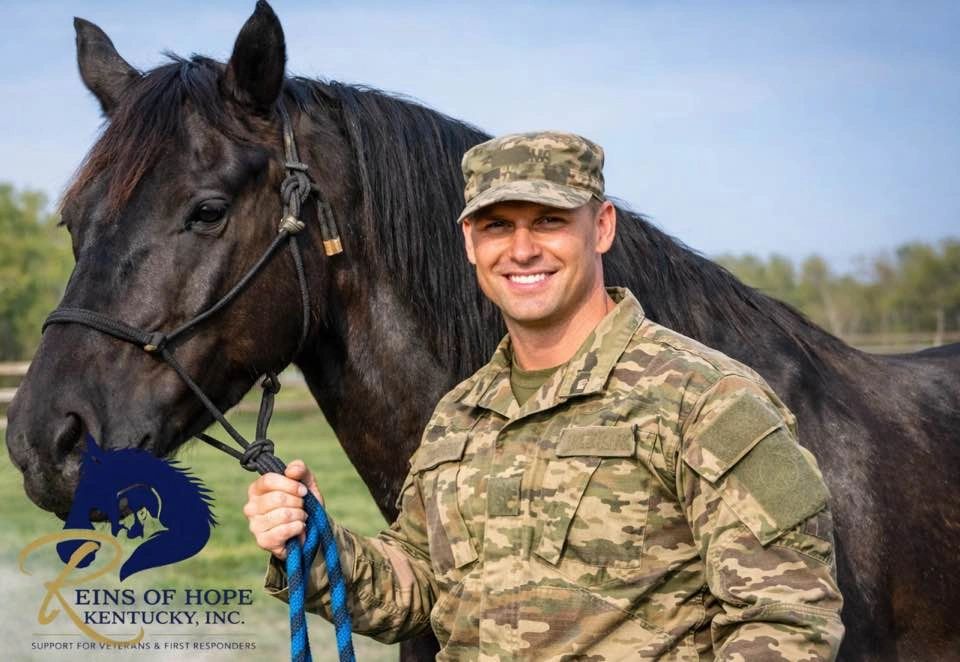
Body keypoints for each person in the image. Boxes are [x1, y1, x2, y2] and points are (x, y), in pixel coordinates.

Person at [244, 132, 844, 659]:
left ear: (602, 227)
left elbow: (789, 616)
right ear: (469, 242)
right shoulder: (460, 416)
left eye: (549, 221)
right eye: (498, 225)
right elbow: (421, 589)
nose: (522, 249)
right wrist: (316, 542)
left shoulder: (706, 399)